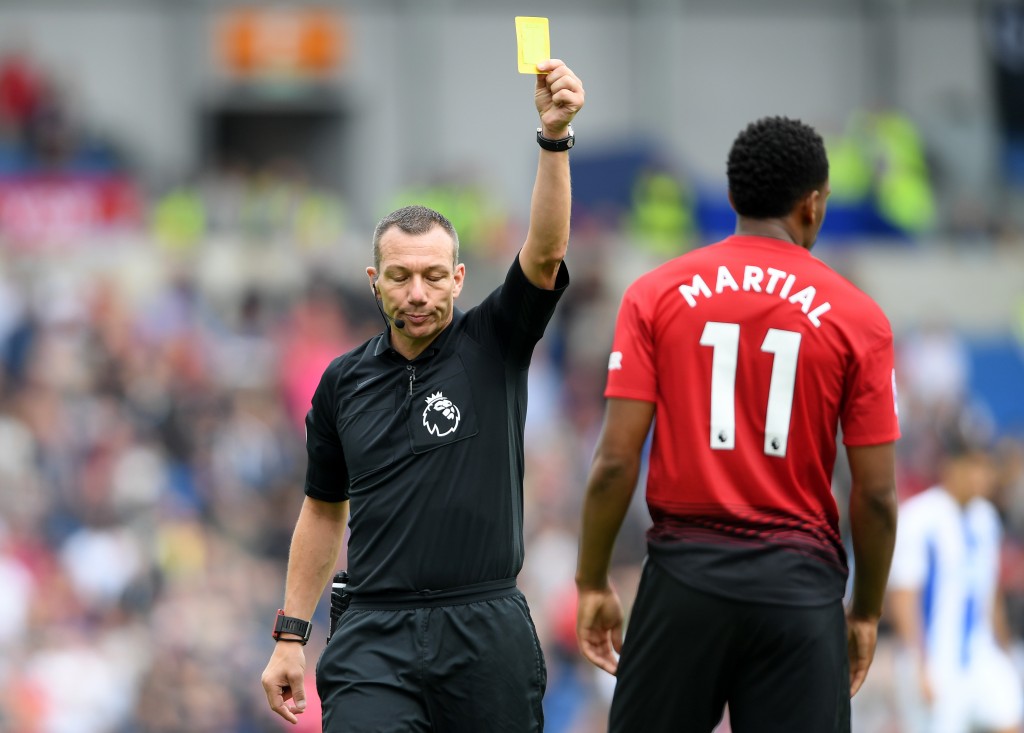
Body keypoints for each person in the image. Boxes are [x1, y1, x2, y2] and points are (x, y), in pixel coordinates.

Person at [260, 58, 584, 733]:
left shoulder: (494, 343)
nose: (417, 293)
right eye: (400, 276)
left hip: (485, 629)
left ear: (459, 278)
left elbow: (545, 252)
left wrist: (554, 138)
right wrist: (291, 633)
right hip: (375, 632)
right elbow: (322, 510)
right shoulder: (342, 382)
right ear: (373, 279)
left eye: (434, 276)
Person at [574, 116, 901, 732]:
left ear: (731, 196)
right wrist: (865, 614)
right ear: (812, 204)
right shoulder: (859, 318)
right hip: (800, 593)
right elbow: (878, 495)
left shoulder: (655, 294)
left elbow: (615, 460)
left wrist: (592, 582)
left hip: (684, 580)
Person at [888, 434, 1024, 733]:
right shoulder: (920, 517)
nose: (981, 477)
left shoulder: (986, 519)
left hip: (979, 653)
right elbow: (903, 596)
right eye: (973, 467)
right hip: (937, 660)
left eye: (986, 468)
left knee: (1009, 717)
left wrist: (1004, 649)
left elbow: (990, 593)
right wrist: (919, 663)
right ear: (951, 468)